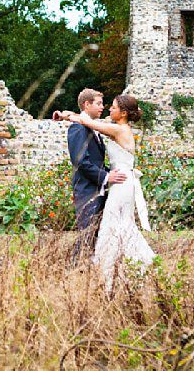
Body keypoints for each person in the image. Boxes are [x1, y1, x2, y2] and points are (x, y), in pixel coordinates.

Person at [56, 93, 155, 292]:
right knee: (114, 225)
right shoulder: (116, 128)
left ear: (124, 113)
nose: (108, 109)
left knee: (114, 225)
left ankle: (107, 268)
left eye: (113, 107)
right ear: (87, 104)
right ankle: (110, 267)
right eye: (102, 104)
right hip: (118, 183)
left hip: (120, 183)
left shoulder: (118, 129)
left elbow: (86, 121)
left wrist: (68, 115)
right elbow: (83, 124)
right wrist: (67, 115)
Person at [62, 89, 127, 264]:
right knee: (87, 234)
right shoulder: (78, 128)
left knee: (96, 233)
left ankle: (88, 268)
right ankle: (72, 269)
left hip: (98, 188)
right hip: (86, 190)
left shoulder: (90, 126)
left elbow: (96, 161)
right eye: (98, 103)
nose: (102, 107)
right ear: (86, 104)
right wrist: (106, 177)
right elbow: (81, 162)